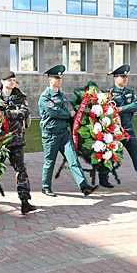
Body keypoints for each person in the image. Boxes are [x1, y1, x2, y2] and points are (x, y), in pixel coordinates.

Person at [98, 65, 137, 189]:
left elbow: (136, 106)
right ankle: (103, 179)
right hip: (115, 130)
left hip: (129, 129)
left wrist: (122, 108)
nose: (125, 78)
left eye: (126, 76)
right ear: (115, 78)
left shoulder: (130, 92)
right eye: (122, 76)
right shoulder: (108, 94)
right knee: (110, 155)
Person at [38, 65, 99, 197]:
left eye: (60, 77)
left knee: (73, 159)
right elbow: (55, 112)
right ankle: (46, 187)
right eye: (56, 77)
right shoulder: (45, 97)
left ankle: (84, 186)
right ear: (49, 79)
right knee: (50, 161)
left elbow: (67, 113)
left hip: (63, 133)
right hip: (50, 134)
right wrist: (70, 114)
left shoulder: (62, 96)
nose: (59, 80)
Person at [0, 72, 36, 214]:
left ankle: (24, 200)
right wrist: (11, 111)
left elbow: (24, 113)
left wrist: (6, 112)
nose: (12, 82)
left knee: (21, 169)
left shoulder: (20, 97)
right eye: (9, 80)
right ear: (2, 81)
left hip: (16, 140)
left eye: (14, 80)